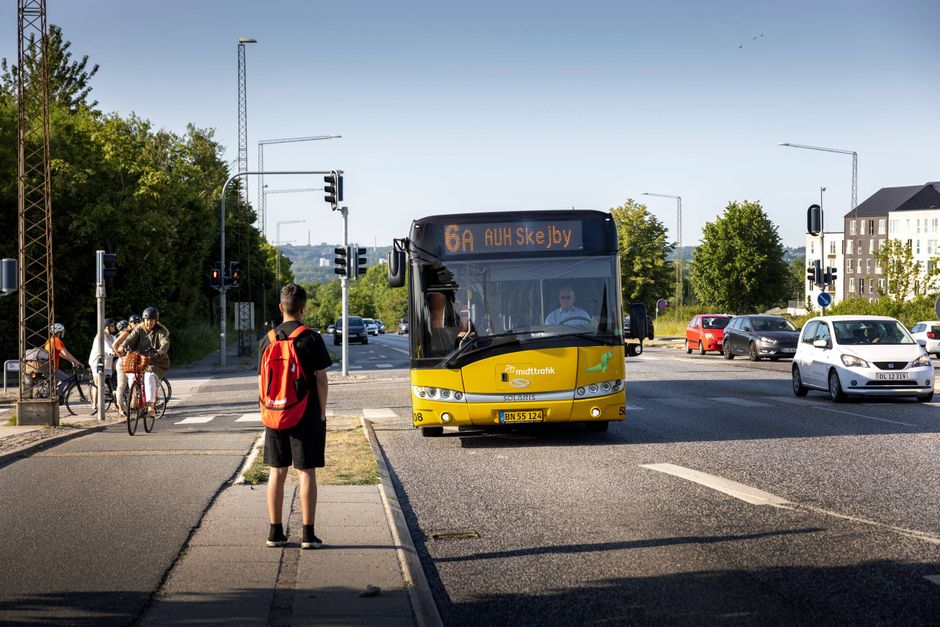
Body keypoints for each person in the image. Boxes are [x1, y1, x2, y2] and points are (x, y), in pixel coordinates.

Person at [259, 283, 331, 550]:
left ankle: (275, 533)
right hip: (304, 413)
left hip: (275, 413)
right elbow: (321, 379)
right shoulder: (311, 338)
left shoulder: (267, 340)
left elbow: (261, 381)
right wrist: (321, 410)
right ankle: (308, 535)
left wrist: (267, 409)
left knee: (276, 471)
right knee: (306, 473)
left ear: (281, 308)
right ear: (304, 308)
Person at [113, 307, 170, 419]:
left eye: (152, 320)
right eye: (147, 320)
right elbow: (129, 339)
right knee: (132, 376)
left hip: (156, 362)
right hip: (139, 360)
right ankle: (135, 400)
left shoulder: (161, 331)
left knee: (148, 377)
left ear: (156, 320)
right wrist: (123, 347)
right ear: (144, 320)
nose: (149, 322)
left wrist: (161, 350)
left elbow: (165, 341)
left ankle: (150, 408)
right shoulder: (139, 329)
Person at [45, 323, 83, 399]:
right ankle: (58, 396)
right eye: (63, 331)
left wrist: (70, 360)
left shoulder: (50, 340)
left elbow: (60, 354)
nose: (64, 332)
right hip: (52, 367)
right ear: (58, 332)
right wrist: (77, 362)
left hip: (48, 366)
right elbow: (66, 353)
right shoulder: (57, 341)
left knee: (62, 380)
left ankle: (55, 394)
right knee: (66, 379)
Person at [88, 318, 117, 398]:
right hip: (97, 362)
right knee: (98, 384)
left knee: (102, 383)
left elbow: (116, 343)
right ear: (107, 327)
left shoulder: (111, 336)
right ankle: (95, 405)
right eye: (112, 325)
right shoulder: (101, 336)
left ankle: (103, 401)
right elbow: (106, 347)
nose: (114, 327)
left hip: (106, 362)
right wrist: (113, 352)